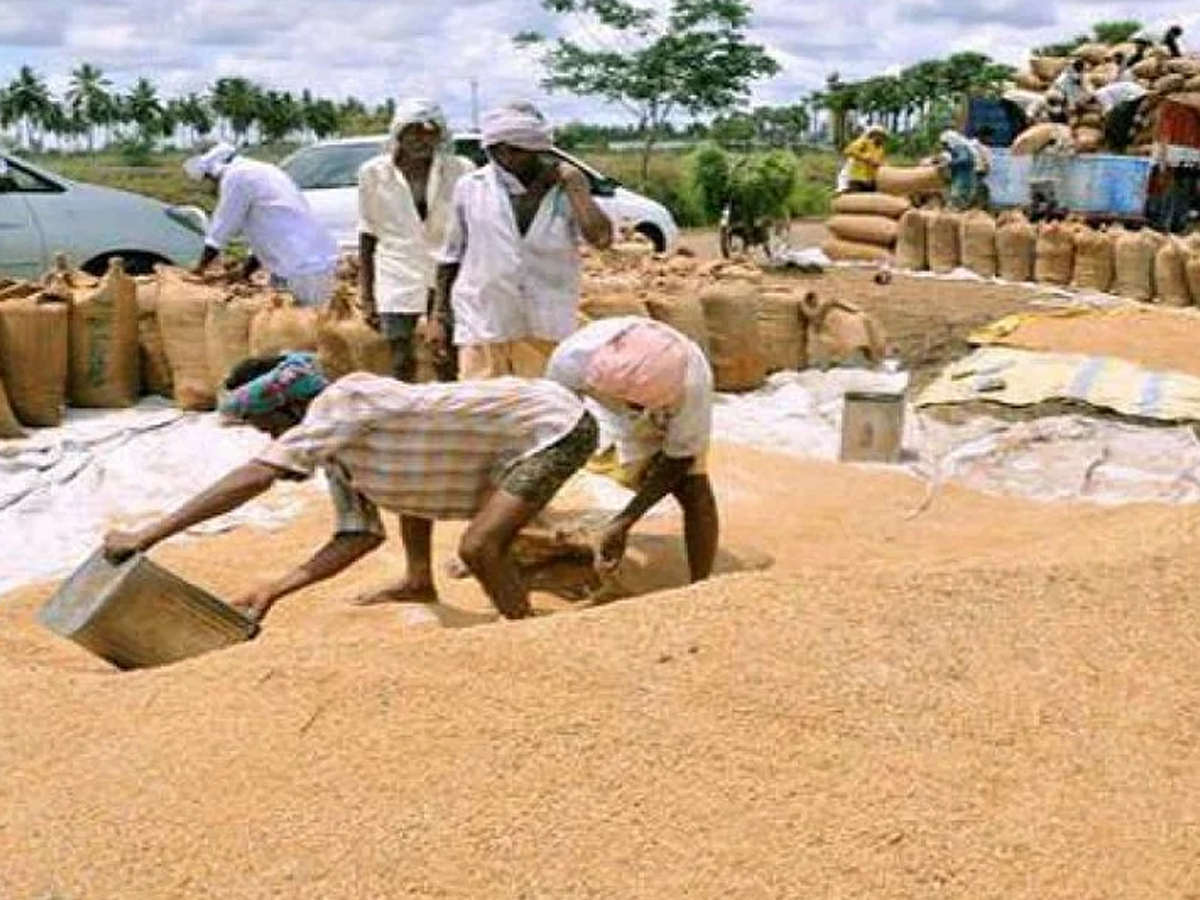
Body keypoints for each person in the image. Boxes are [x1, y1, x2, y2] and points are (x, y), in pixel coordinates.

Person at [102, 353, 598, 622]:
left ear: (288, 409)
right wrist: (273, 590)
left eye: (264, 424)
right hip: (518, 431)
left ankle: (526, 634)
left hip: (553, 425)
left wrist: (149, 535)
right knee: (405, 484)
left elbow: (258, 475)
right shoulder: (340, 449)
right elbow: (357, 536)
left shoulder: (342, 402)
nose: (266, 435)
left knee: (479, 547)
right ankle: (418, 579)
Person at [430, 102, 613, 380]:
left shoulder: (563, 191)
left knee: (547, 407)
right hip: (484, 319)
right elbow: (451, 255)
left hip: (547, 323)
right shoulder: (470, 188)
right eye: (509, 151)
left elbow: (601, 238)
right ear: (497, 151)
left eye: (533, 152)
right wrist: (439, 316)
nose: (531, 160)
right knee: (485, 408)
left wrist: (578, 187)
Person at [545, 317, 718, 583]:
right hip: (599, 404)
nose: (632, 408)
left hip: (661, 416)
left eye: (638, 404)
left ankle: (701, 586)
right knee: (547, 457)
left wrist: (625, 521)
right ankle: (506, 542)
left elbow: (680, 457)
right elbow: (553, 424)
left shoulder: (691, 384)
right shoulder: (573, 357)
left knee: (694, 488)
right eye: (630, 403)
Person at [358, 100, 474, 383]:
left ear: (439, 135)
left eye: (428, 133)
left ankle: (448, 415)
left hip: (446, 271)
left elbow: (470, 229)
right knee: (400, 356)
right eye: (413, 132)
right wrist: (367, 295)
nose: (421, 140)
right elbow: (367, 232)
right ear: (399, 133)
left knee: (445, 354)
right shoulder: (374, 173)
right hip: (396, 271)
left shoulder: (460, 170)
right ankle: (406, 414)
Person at [184, 143, 338, 306]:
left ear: (214, 169)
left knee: (300, 323)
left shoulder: (236, 176)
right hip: (305, 260)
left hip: (301, 265)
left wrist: (199, 270)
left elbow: (221, 229)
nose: (213, 185)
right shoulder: (262, 170)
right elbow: (266, 233)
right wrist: (245, 272)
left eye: (210, 179)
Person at [840, 125, 888, 193]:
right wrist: (863, 157)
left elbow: (880, 162)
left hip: (872, 179)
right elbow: (849, 151)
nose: (880, 138)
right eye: (878, 135)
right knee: (856, 199)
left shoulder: (880, 148)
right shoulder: (863, 142)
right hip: (858, 178)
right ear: (873, 134)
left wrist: (881, 164)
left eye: (882, 136)